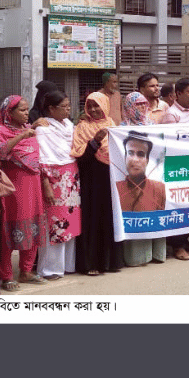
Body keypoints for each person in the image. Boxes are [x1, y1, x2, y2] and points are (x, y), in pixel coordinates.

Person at [0, 95, 50, 291]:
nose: (26, 113)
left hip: (32, 185)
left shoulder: (28, 129)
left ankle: (26, 271)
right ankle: (6, 275)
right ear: (9, 112)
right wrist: (22, 137)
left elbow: (37, 159)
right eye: (22, 110)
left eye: (27, 110)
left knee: (33, 226)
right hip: (13, 188)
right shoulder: (0, 130)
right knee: (9, 229)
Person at [72, 93, 125, 276]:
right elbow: (80, 159)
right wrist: (95, 141)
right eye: (90, 106)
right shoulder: (82, 127)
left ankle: (111, 262)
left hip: (110, 179)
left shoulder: (113, 126)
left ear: (105, 106)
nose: (94, 110)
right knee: (92, 219)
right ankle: (91, 262)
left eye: (97, 106)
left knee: (110, 218)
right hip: (91, 181)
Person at [35, 90, 81, 280]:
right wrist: (46, 184)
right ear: (51, 109)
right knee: (55, 224)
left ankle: (67, 265)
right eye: (64, 106)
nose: (68, 110)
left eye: (69, 106)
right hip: (54, 178)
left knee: (70, 222)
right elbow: (42, 158)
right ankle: (49, 268)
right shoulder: (43, 129)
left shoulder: (69, 125)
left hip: (71, 176)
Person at [120, 91, 167, 266]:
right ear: (129, 106)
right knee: (136, 211)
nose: (141, 107)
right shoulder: (122, 127)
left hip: (153, 175)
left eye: (143, 103)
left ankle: (157, 253)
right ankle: (136, 257)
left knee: (155, 209)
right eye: (137, 104)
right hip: (131, 179)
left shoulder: (152, 125)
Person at [159, 78, 189, 259]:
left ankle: (187, 238)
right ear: (178, 94)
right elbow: (169, 144)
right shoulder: (171, 115)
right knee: (179, 205)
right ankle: (177, 244)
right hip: (178, 167)